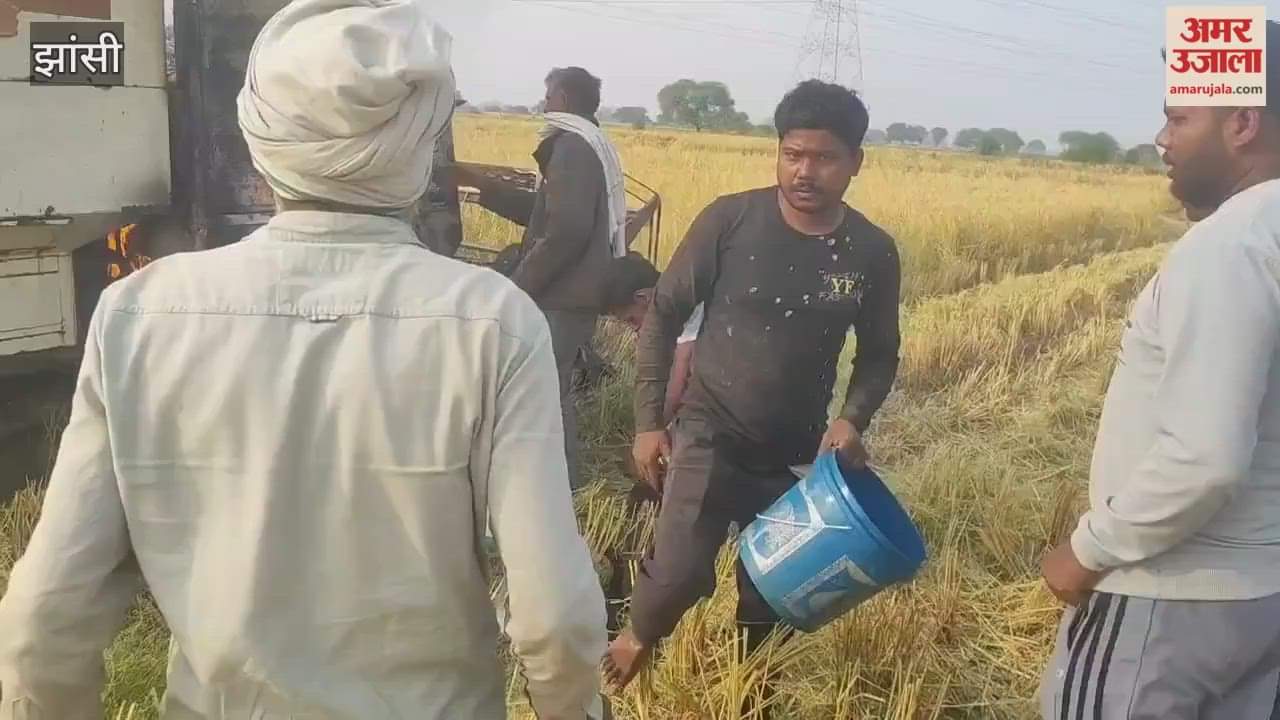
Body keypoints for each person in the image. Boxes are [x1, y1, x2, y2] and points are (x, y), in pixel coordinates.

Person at [0, 2, 610, 718]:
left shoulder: (138, 314)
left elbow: (43, 618)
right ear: (417, 139)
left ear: (260, 134)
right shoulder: (494, 323)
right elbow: (554, 619)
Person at [604, 80, 903, 702]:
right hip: (709, 432)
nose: (804, 171)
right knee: (676, 574)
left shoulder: (871, 252)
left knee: (772, 596)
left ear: (855, 162)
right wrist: (649, 421)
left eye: (823, 157)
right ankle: (624, 654)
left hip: (796, 453)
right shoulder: (730, 219)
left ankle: (750, 696)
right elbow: (662, 315)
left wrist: (852, 419)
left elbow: (879, 353)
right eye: (793, 154)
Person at [1039, 22, 1280, 719]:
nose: (1162, 138)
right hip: (1260, 600)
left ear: (1241, 122)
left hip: (1168, 601)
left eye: (1179, 116)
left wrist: (1086, 551)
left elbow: (1204, 459)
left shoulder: (1229, 245)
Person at [456, 66, 626, 491]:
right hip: (575, 295)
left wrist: (516, 286)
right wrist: (483, 188)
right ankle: (557, 484)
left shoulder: (571, 148)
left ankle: (560, 486)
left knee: (547, 392)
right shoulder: (589, 145)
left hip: (561, 297)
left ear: (564, 100)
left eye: (548, 96)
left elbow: (565, 231)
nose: (544, 104)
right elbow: (547, 211)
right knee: (552, 388)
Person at [602, 252, 701, 424]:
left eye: (632, 320)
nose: (635, 329)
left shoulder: (685, 305)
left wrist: (652, 430)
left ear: (644, 298)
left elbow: (678, 381)